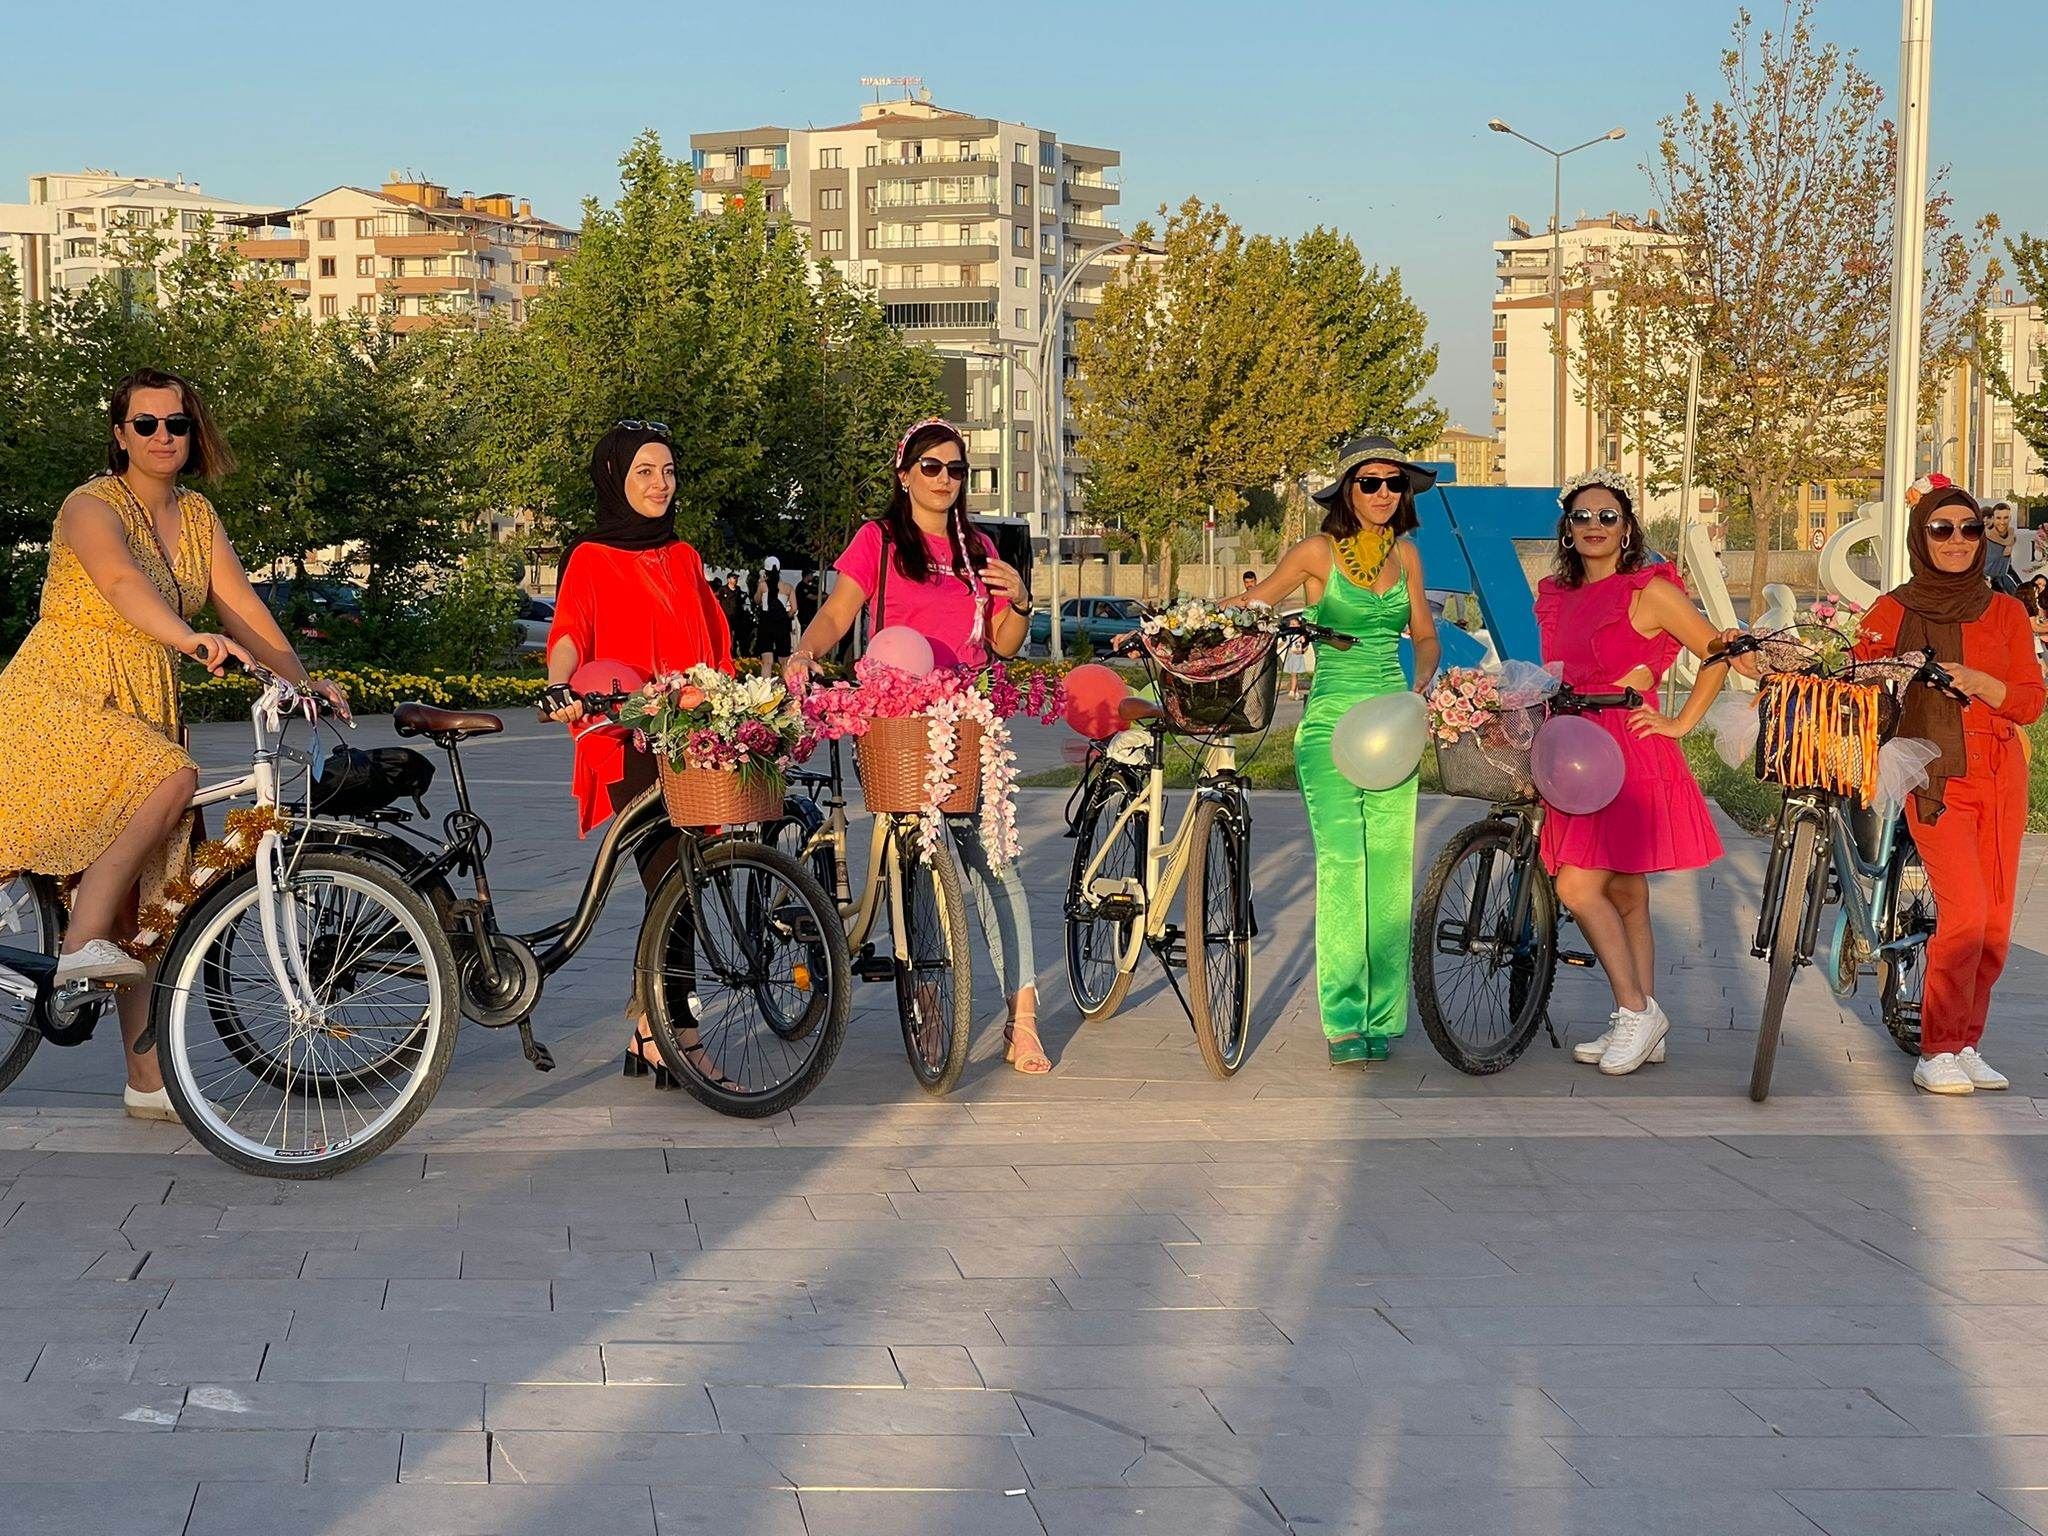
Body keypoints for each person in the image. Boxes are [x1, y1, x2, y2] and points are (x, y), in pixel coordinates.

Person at [0, 368, 349, 1121]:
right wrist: (189, 637)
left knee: (156, 892)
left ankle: (147, 1081)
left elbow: (246, 611)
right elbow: (124, 584)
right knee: (171, 777)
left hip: (145, 699)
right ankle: (81, 942)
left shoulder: (197, 517)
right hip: (63, 695)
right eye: (146, 424)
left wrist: (303, 681)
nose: (163, 436)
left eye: (177, 424)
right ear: (120, 434)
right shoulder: (90, 505)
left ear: (195, 435)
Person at [785, 419, 1046, 1071]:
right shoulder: (878, 542)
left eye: (957, 470)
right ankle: (929, 997)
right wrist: (805, 653)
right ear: (904, 474)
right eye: (931, 467)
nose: (945, 480)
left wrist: (1021, 603)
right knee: (912, 857)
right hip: (898, 720)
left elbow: (1001, 649)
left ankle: (1024, 1017)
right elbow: (839, 613)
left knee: (995, 863)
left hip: (965, 717)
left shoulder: (977, 549)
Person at [1237, 436, 1440, 1066]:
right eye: (1370, 482)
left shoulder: (1406, 556)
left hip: (1393, 729)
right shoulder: (1316, 552)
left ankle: (1385, 1015)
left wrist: (1420, 684)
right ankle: (1345, 1018)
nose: (1383, 493)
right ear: (1346, 492)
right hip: (1328, 727)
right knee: (1344, 866)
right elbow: (1253, 603)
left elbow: (1425, 636)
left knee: (1390, 868)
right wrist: (1178, 624)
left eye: (1393, 484)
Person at [542, 422, 734, 1088]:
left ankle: (648, 1027)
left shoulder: (683, 555)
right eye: (645, 472)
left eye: (669, 471)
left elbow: (712, 639)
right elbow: (570, 633)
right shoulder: (590, 556)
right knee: (672, 876)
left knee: (686, 876)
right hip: (625, 735)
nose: (660, 484)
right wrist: (560, 683)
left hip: (686, 733)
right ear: (615, 478)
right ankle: (675, 1033)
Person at [1533, 469, 1732, 1076]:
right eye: (1582, 517)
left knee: (1576, 887)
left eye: (1608, 517)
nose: (1594, 526)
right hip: (1572, 748)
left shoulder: (1648, 590)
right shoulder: (1555, 594)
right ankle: (1644, 1021)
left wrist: (1680, 721)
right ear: (1567, 531)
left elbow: (1720, 651)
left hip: (1627, 748)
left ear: (1627, 529)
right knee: (1624, 894)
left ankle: (1633, 1011)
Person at [1851, 485, 2043, 1095]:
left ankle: (1966, 1041)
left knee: (1996, 922)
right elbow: (1857, 680)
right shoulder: (1891, 609)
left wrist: (1986, 682)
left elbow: (2031, 701)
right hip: (1932, 774)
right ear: (1920, 537)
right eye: (1942, 529)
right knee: (1966, 913)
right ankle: (1935, 1048)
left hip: (2001, 773)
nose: (1957, 540)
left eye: (1968, 528)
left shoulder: (2006, 611)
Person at [755, 576, 794, 678]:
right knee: (784, 661)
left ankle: (765, 689)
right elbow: (794, 608)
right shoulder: (788, 587)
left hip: (766, 623)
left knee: (767, 661)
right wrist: (785, 618)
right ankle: (789, 689)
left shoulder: (763, 585)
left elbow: (757, 600)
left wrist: (760, 585)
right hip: (782, 625)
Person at [1984, 501, 2017, 593]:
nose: (2002, 522)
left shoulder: (2011, 537)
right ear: (1993, 519)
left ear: (2010, 518)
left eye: (2005, 518)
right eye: (1998, 518)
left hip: (2003, 585)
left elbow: (2008, 567)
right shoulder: (1984, 538)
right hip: (1985, 585)